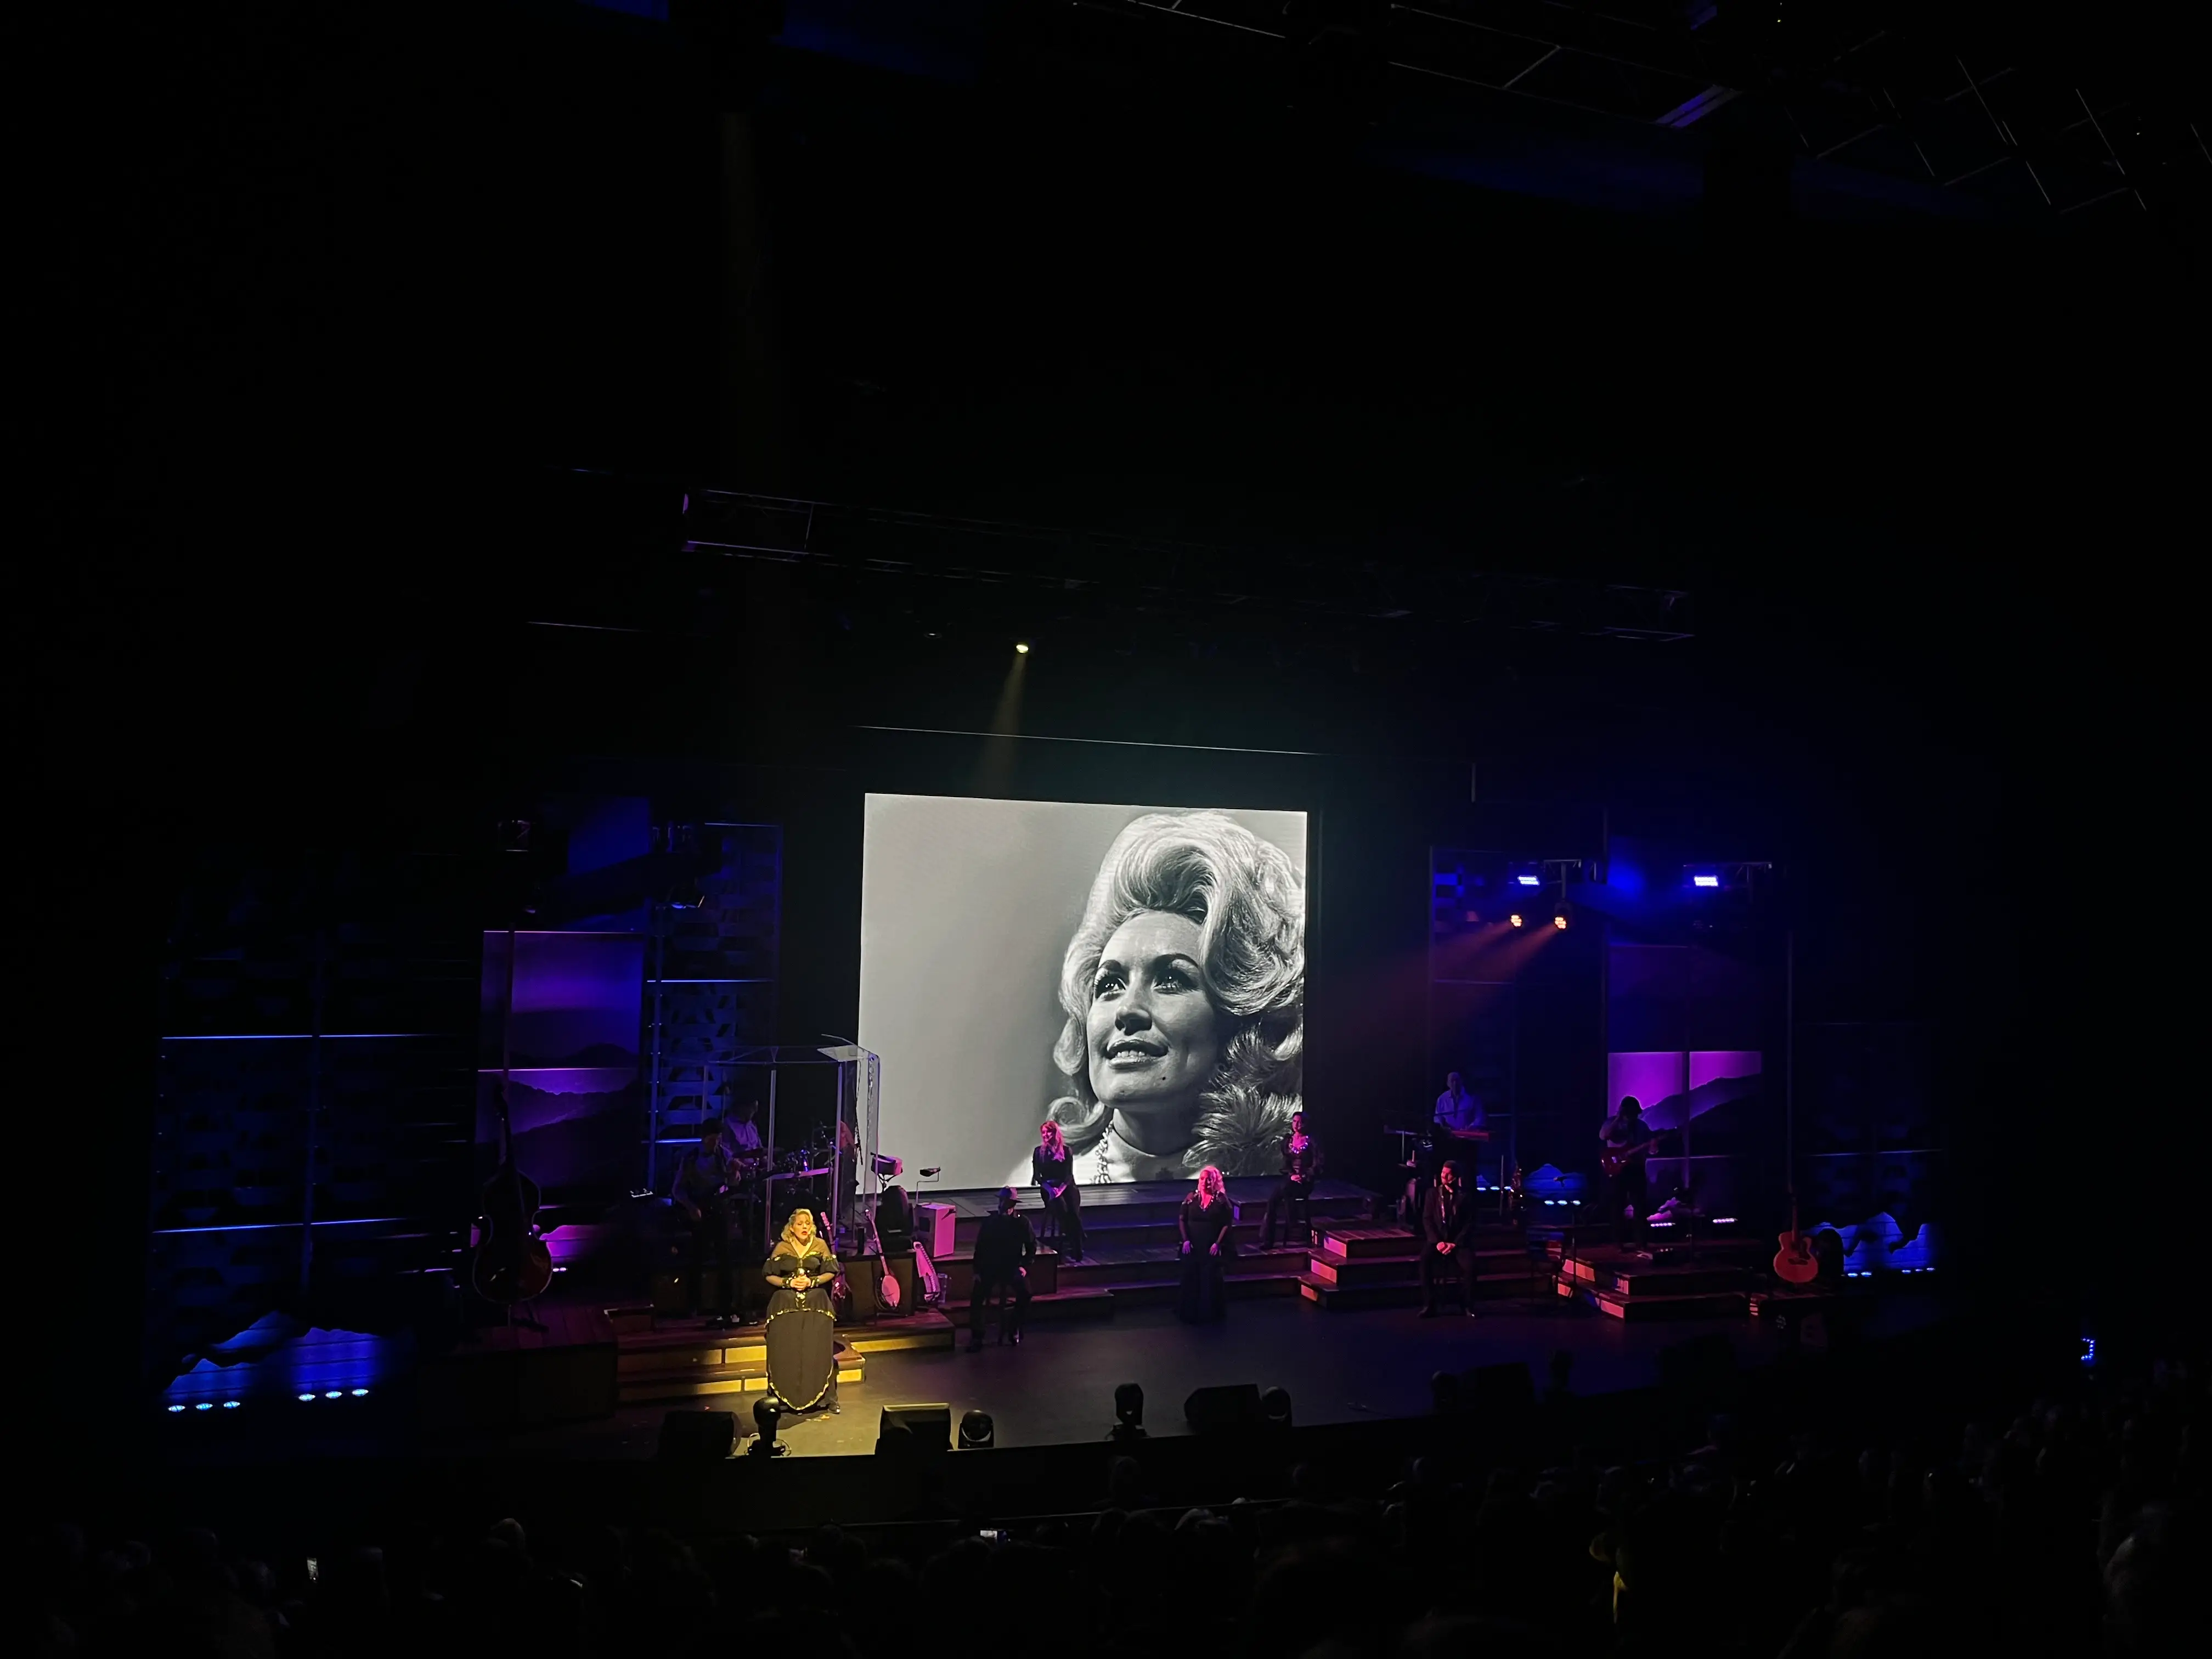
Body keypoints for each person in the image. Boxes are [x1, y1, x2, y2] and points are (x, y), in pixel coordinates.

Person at [1019, 811, 1306, 1184]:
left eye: (1171, 979)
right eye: (1109, 985)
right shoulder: (1038, 1186)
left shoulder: (1283, 1185)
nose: (1127, 1010)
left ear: (1236, 1022)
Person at [763, 1207, 839, 1410]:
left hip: (815, 1299)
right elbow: (769, 1274)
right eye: (800, 1223)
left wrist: (812, 1282)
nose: (805, 1227)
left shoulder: (820, 1245)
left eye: (808, 1223)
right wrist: (788, 1283)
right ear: (791, 1228)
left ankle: (825, 1398)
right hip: (786, 1301)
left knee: (815, 1348)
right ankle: (781, 1396)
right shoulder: (783, 1247)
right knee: (786, 1347)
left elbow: (831, 1271)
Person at [670, 1119, 737, 1325]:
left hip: (720, 1209)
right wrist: (691, 1207)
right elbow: (677, 1189)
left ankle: (726, 1306)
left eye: (717, 1140)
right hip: (699, 1210)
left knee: (725, 1258)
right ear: (703, 1138)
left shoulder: (724, 1155)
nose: (714, 1144)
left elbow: (733, 1184)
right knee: (697, 1258)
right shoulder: (691, 1158)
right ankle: (693, 1305)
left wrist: (735, 1172)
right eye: (711, 1140)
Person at [967, 1187, 1035, 1350]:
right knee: (977, 1296)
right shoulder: (991, 1222)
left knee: (1026, 1293)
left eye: (1007, 1203)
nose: (1003, 1205)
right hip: (990, 1267)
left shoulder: (1022, 1222)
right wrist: (977, 1271)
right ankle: (978, 1336)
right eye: (1001, 1202)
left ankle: (1013, 1327)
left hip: (1012, 1267)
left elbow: (1031, 1247)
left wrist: (1024, 1266)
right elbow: (980, 1248)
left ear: (1013, 1204)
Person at [1176, 1165, 1238, 1322]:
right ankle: (1190, 1311)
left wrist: (1218, 1243)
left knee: (1211, 1278)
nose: (1205, 1182)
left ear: (1215, 1181)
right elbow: (1182, 1219)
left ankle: (1211, 1313)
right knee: (1191, 1276)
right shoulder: (1191, 1198)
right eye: (1203, 1179)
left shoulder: (1221, 1200)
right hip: (1193, 1245)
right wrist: (1186, 1240)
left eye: (1209, 1180)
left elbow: (1226, 1223)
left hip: (1211, 1245)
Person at [1420, 1158, 1479, 1318]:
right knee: (1424, 1262)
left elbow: (1470, 1223)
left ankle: (1467, 1305)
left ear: (1456, 1177)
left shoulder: (1465, 1197)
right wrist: (1438, 1242)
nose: (1444, 1177)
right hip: (1437, 1241)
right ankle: (1429, 1304)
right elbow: (1427, 1219)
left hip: (1457, 1242)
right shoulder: (1432, 1194)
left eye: (1448, 1174)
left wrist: (1455, 1243)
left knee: (1471, 1267)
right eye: (1443, 1173)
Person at [1260, 1110, 1324, 1249]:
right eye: (1294, 1122)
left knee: (1286, 1189)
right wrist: (1292, 1175)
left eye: (1300, 1122)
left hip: (1304, 1182)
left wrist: (1304, 1176)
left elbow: (1318, 1164)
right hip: (1290, 1179)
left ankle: (1293, 1222)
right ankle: (1268, 1240)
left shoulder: (1312, 1141)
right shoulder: (1288, 1141)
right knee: (1273, 1201)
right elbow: (1286, 1165)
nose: (1297, 1125)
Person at [1599, 1095, 1655, 1250]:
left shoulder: (1642, 1127)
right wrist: (1618, 1119)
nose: (1632, 1117)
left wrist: (1653, 1148)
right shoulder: (1612, 1123)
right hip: (1618, 1170)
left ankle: (1641, 1243)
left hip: (1636, 1168)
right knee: (1617, 1205)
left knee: (1640, 1205)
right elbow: (1604, 1136)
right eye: (1628, 1113)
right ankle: (1618, 1242)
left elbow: (1650, 1148)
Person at [1031, 1120, 1085, 1261]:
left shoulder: (1066, 1151)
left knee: (1073, 1211)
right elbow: (1038, 1176)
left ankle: (1076, 1248)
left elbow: (1069, 1175)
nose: (1045, 1135)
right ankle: (1077, 1243)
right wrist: (1050, 1189)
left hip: (1066, 1187)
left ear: (1055, 1133)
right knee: (1061, 1209)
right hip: (1048, 1188)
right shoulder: (1039, 1152)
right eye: (1043, 1132)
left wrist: (1060, 1190)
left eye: (1048, 1132)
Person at [1434, 1071, 1487, 1142]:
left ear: (1462, 1081)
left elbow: (1480, 1117)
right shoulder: (1442, 1099)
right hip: (1448, 1139)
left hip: (1469, 1139)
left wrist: (1472, 1127)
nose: (1455, 1083)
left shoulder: (1473, 1097)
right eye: (1452, 1081)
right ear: (1448, 1083)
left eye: (1457, 1080)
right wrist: (1443, 1128)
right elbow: (1437, 1118)